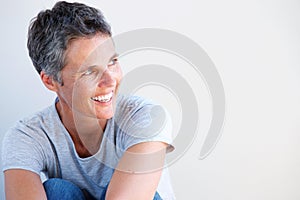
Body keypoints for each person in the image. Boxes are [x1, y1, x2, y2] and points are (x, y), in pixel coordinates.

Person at [1, 1, 175, 199]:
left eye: (112, 62)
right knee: (57, 191)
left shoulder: (146, 117)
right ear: (50, 81)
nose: (110, 81)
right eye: (90, 71)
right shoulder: (28, 136)